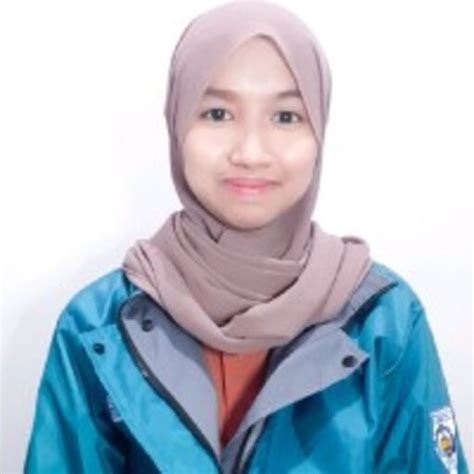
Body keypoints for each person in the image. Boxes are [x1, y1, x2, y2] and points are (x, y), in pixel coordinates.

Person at [24, 1, 469, 473]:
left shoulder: (385, 322)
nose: (251, 152)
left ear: (319, 131)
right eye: (218, 113)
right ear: (177, 124)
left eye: (286, 117)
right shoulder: (99, 328)